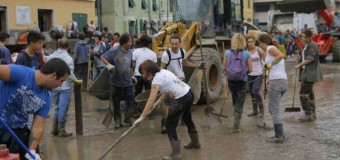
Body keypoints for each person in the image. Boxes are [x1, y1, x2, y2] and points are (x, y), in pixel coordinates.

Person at [0, 58, 70, 160]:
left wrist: (32, 150)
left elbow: (38, 126)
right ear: (53, 75)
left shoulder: (46, 98)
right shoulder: (21, 73)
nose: (60, 85)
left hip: (18, 134)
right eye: (61, 81)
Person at [133, 60, 201, 160]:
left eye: (143, 73)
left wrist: (142, 116)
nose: (143, 76)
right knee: (187, 118)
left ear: (149, 70)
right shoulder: (164, 72)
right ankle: (195, 142)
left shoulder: (156, 80)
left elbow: (151, 99)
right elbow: (167, 91)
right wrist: (158, 102)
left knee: (169, 124)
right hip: (188, 93)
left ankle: (176, 154)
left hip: (181, 98)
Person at [159, 34, 203, 134]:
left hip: (180, 80)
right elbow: (161, 69)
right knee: (167, 104)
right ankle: (164, 123)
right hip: (169, 81)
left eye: (176, 44)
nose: (174, 46)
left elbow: (185, 63)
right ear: (170, 43)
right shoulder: (166, 54)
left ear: (179, 43)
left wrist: (197, 66)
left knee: (184, 101)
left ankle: (184, 118)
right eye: (172, 44)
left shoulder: (182, 51)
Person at [47, 38, 82, 137]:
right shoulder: (68, 58)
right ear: (68, 46)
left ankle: (54, 129)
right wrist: (75, 80)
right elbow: (69, 73)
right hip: (65, 86)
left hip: (54, 85)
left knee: (57, 106)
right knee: (63, 107)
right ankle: (61, 129)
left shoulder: (51, 56)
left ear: (57, 45)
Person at [101, 33, 136, 128]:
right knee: (116, 102)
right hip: (115, 82)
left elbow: (130, 66)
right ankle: (117, 121)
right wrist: (109, 65)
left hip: (128, 81)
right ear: (124, 43)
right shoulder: (114, 50)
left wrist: (132, 76)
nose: (131, 43)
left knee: (130, 100)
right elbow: (103, 57)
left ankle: (128, 118)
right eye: (130, 42)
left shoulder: (130, 52)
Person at [258, 33, 287, 143]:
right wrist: (265, 72)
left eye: (259, 43)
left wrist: (270, 65)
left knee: (274, 110)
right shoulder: (269, 53)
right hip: (282, 82)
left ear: (263, 42)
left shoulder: (270, 48)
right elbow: (267, 69)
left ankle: (279, 136)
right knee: (272, 108)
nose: (259, 46)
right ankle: (279, 128)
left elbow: (281, 55)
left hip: (276, 82)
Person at [223, 33, 252, 133]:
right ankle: (236, 127)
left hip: (231, 82)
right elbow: (251, 70)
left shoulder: (227, 53)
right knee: (240, 104)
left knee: (234, 102)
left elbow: (224, 68)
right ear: (243, 42)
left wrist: (230, 75)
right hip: (242, 82)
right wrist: (243, 73)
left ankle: (235, 122)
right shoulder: (247, 54)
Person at [294, 29, 323, 122]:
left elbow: (309, 59)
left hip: (310, 73)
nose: (303, 38)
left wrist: (299, 65)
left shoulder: (312, 45)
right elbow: (305, 57)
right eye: (302, 36)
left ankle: (308, 113)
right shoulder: (307, 45)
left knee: (303, 93)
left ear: (310, 37)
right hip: (307, 72)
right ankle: (312, 113)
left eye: (305, 37)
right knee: (310, 93)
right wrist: (299, 58)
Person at [245, 34, 266, 118]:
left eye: (251, 42)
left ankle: (261, 110)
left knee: (255, 91)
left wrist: (266, 73)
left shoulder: (259, 50)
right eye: (248, 42)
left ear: (254, 42)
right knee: (251, 93)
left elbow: (267, 62)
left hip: (259, 74)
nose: (250, 43)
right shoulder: (245, 52)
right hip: (249, 75)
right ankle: (255, 111)